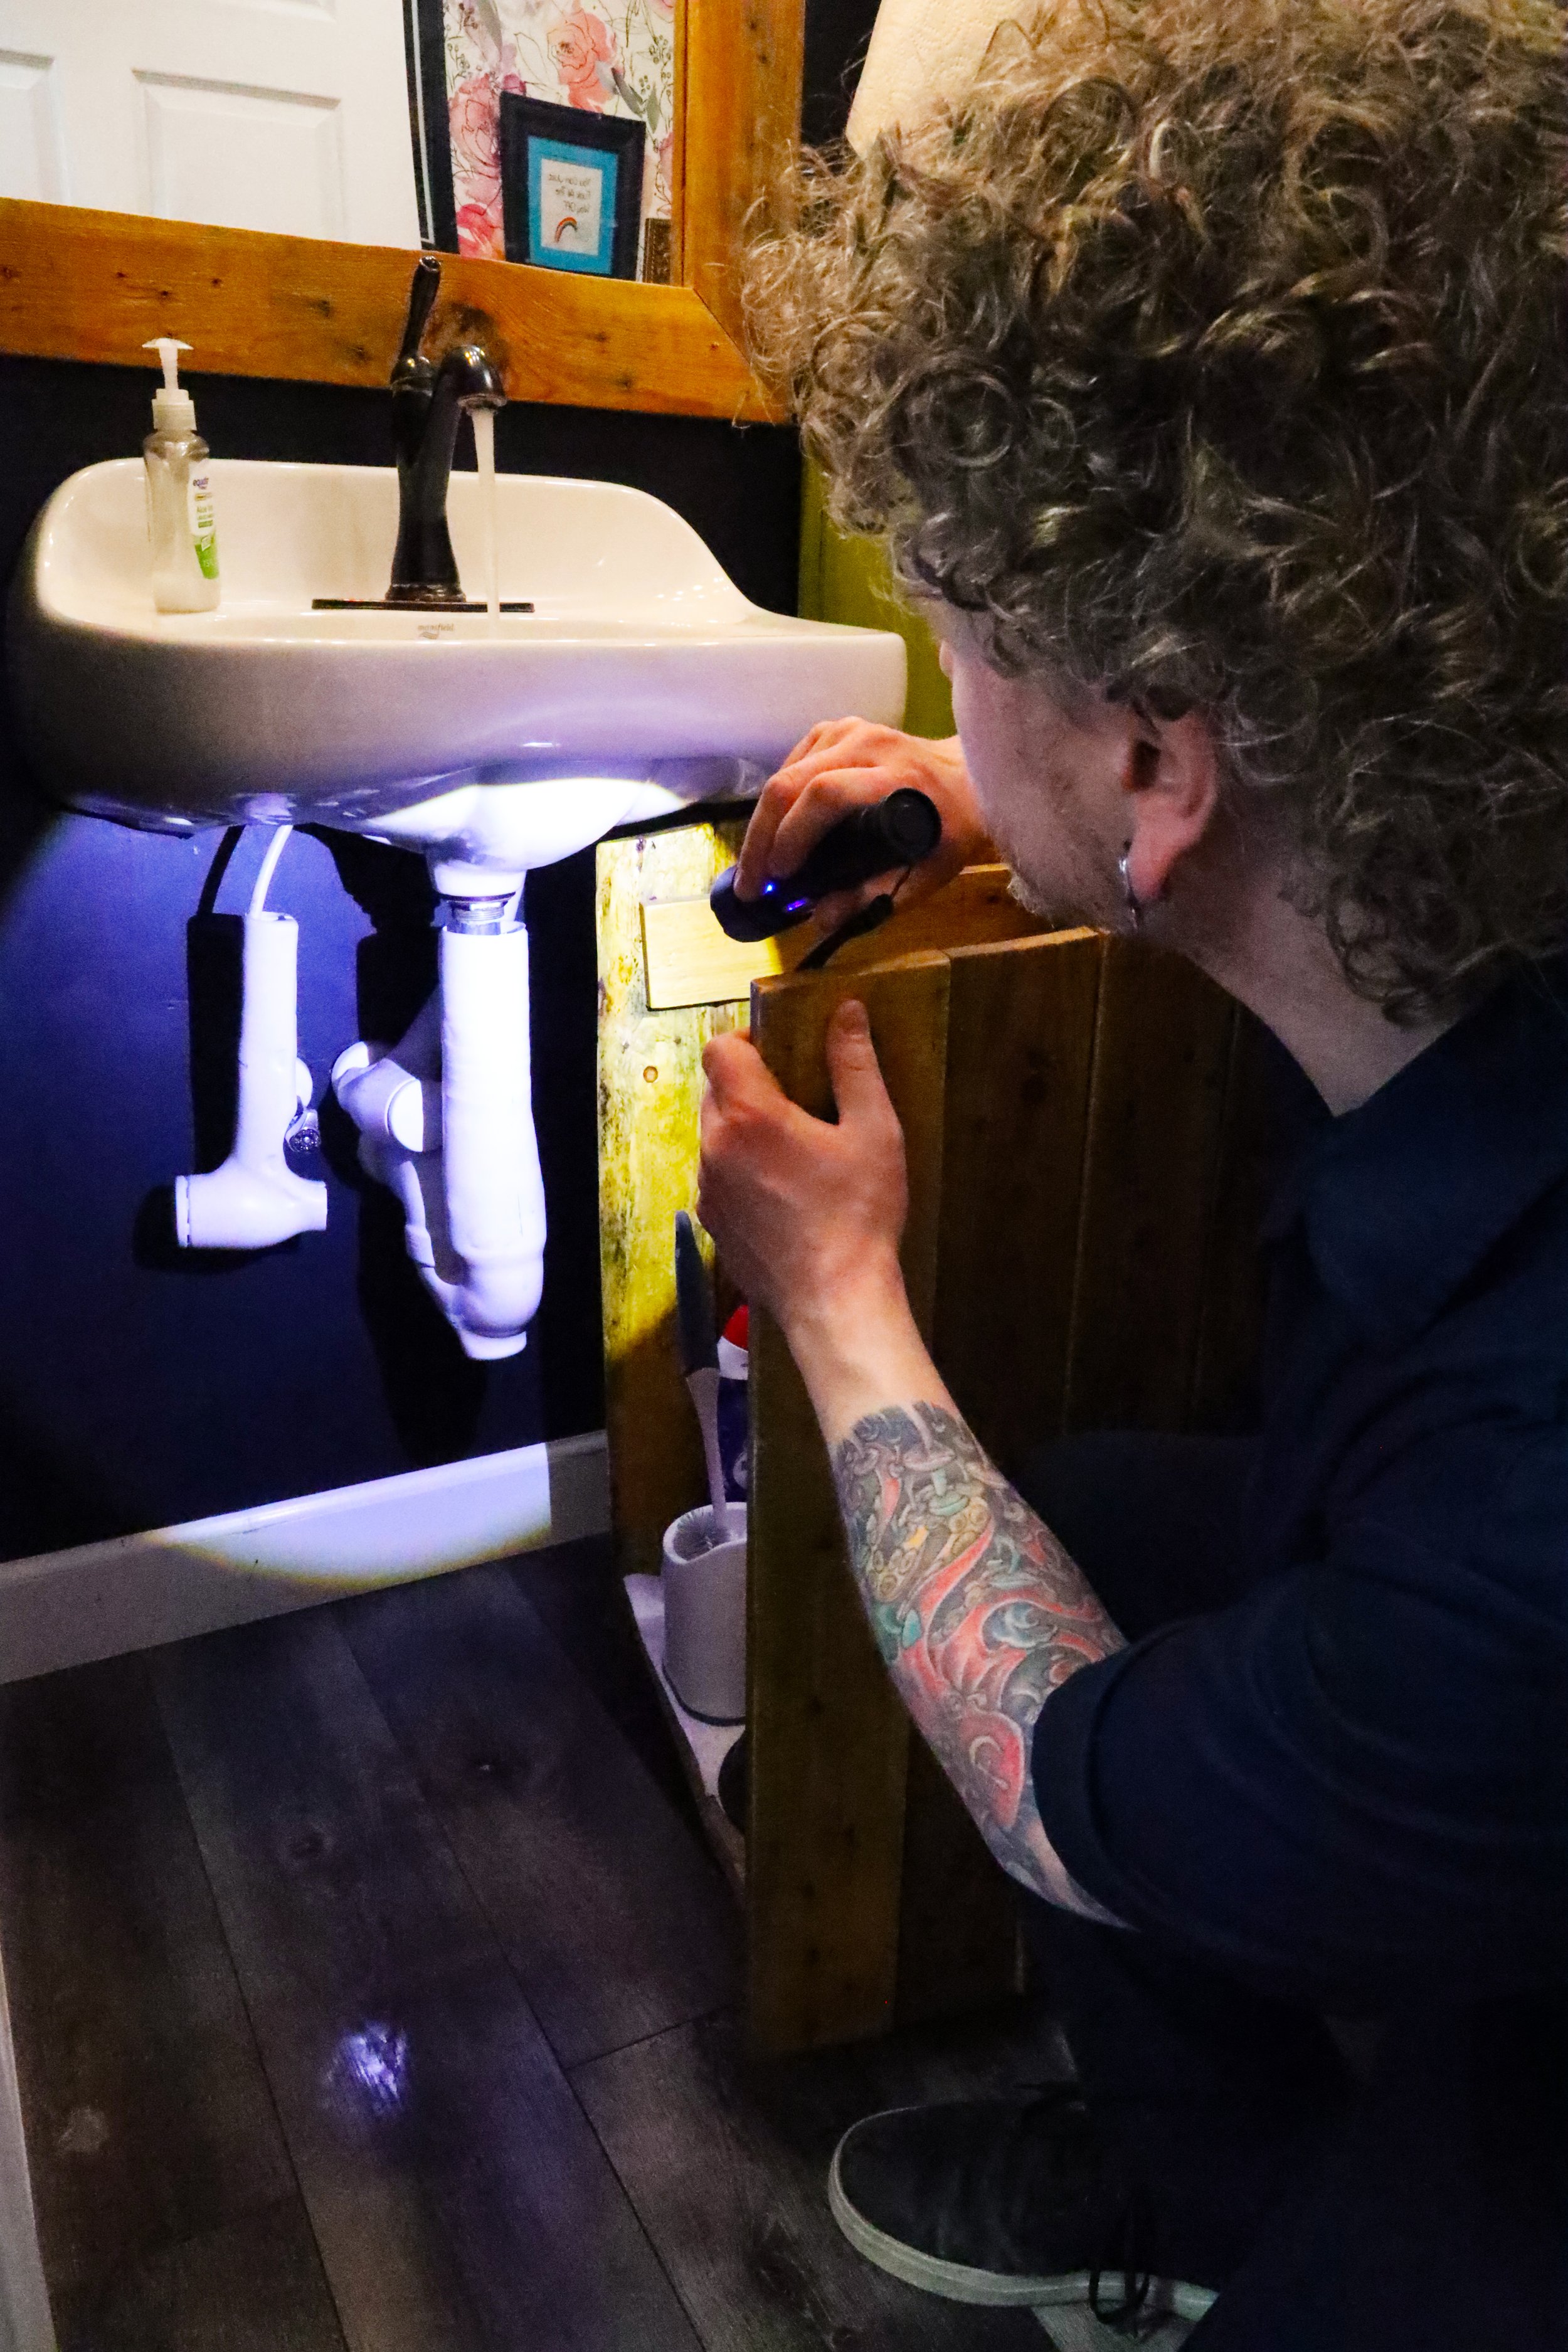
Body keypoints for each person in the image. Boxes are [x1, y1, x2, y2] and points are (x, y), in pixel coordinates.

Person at [694, 1, 1568, 2344]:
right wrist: (1024, 802)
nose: (950, 692)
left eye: (974, 652)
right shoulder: (1464, 850)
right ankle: (1198, 2187)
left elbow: (1062, 1790)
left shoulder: (1525, 1516)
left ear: (1169, 758)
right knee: (1077, 1505)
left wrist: (849, 1308)